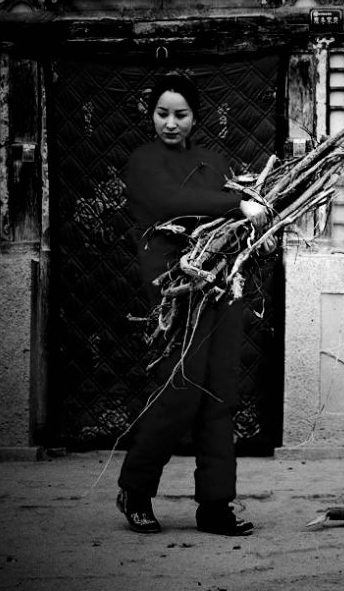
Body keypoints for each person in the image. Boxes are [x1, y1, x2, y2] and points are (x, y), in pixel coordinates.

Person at [116, 72, 271, 537]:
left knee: (221, 391)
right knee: (181, 388)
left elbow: (230, 215)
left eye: (180, 114)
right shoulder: (143, 160)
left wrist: (254, 226)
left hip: (221, 278)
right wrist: (236, 205)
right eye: (162, 113)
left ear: (195, 118)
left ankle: (215, 505)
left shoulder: (212, 160)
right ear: (151, 116)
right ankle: (136, 489)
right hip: (175, 281)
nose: (170, 123)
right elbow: (171, 201)